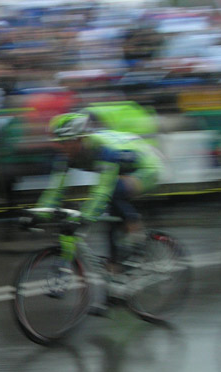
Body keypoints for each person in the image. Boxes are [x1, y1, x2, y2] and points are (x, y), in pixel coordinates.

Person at [36, 111, 164, 289]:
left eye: (65, 142)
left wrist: (84, 217)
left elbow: (103, 190)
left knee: (113, 191)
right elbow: (55, 190)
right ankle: (116, 276)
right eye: (58, 143)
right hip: (122, 170)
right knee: (110, 220)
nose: (61, 147)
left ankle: (137, 233)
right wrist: (38, 213)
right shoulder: (65, 157)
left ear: (80, 139)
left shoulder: (104, 151)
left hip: (147, 167)